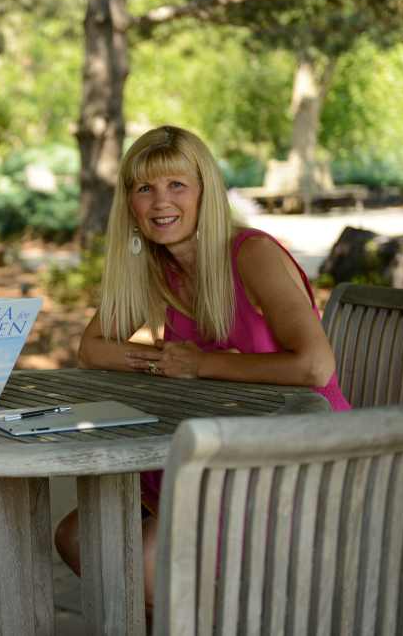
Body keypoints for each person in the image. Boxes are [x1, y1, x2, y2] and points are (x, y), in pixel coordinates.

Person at [53, 125, 351, 611]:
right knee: (79, 535)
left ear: (205, 192)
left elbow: (315, 367)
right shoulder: (158, 268)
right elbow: (94, 349)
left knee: (139, 561)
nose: (159, 201)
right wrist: (165, 363)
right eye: (144, 188)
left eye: (176, 185)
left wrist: (200, 365)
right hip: (216, 453)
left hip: (297, 457)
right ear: (129, 204)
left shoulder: (252, 253)